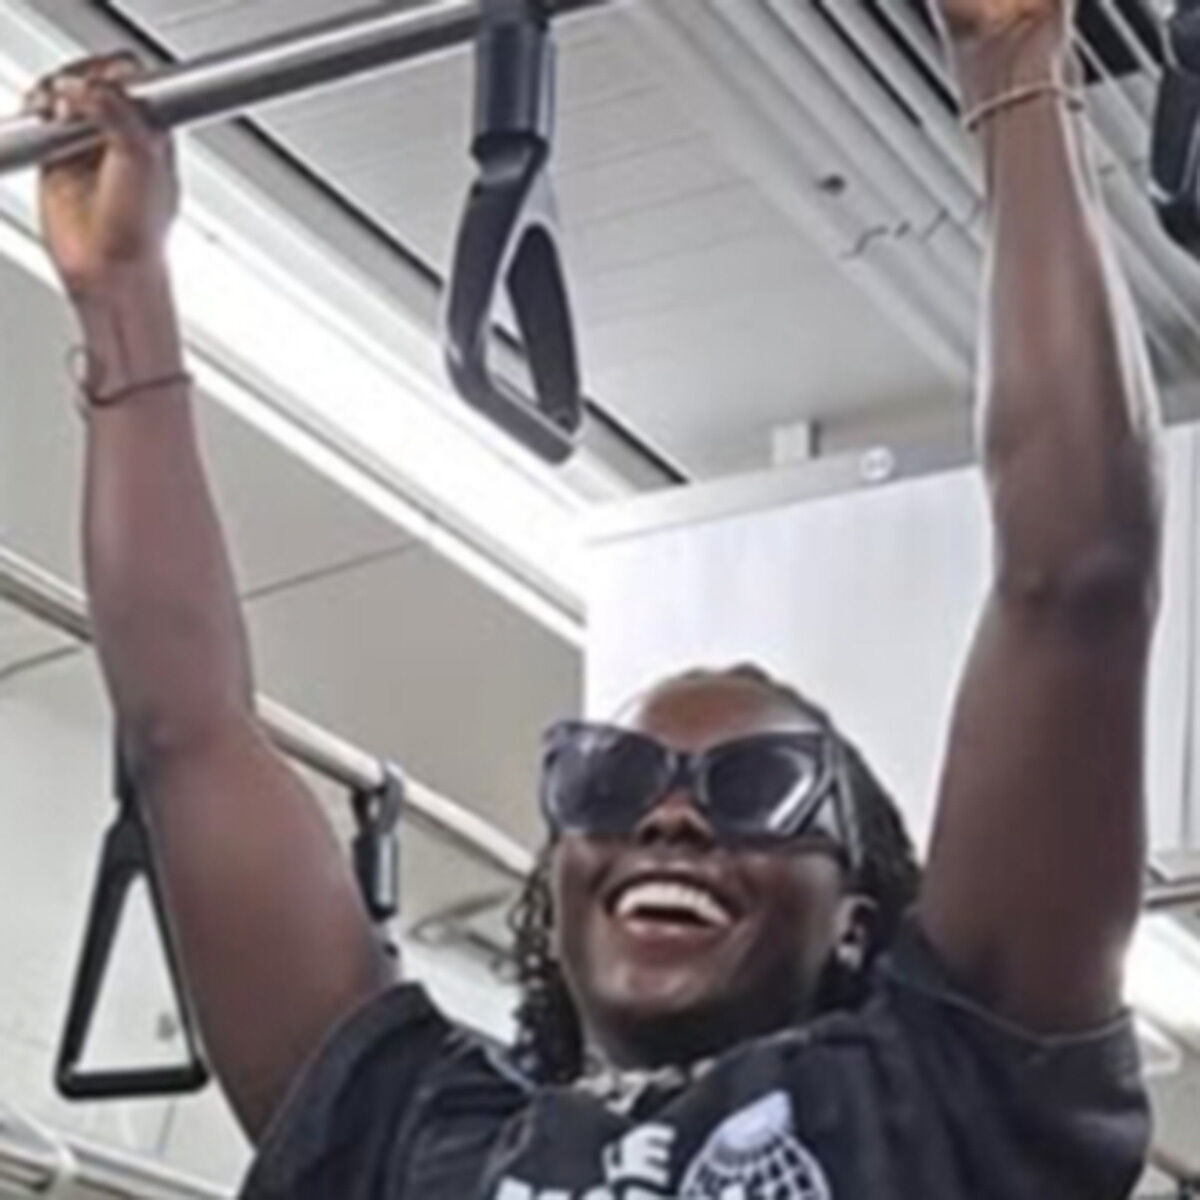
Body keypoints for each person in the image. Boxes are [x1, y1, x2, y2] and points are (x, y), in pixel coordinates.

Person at [25, 0, 1162, 1186]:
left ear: (855, 922)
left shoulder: (944, 1093)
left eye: (757, 788)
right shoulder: (411, 1133)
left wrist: (1013, 61)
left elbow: (1075, 579)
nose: (669, 820)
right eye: (608, 782)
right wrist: (122, 299)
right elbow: (187, 730)